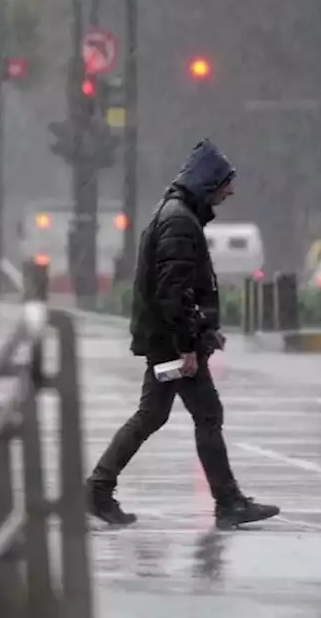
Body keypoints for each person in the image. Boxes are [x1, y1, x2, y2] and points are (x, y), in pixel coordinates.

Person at [86, 140, 280, 530]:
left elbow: (182, 288)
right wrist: (187, 346)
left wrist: (206, 332)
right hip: (171, 344)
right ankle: (227, 502)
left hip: (168, 341)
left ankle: (98, 489)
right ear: (208, 182)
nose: (231, 191)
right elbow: (173, 292)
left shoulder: (178, 215)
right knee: (205, 414)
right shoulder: (178, 220)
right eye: (226, 182)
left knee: (153, 415)